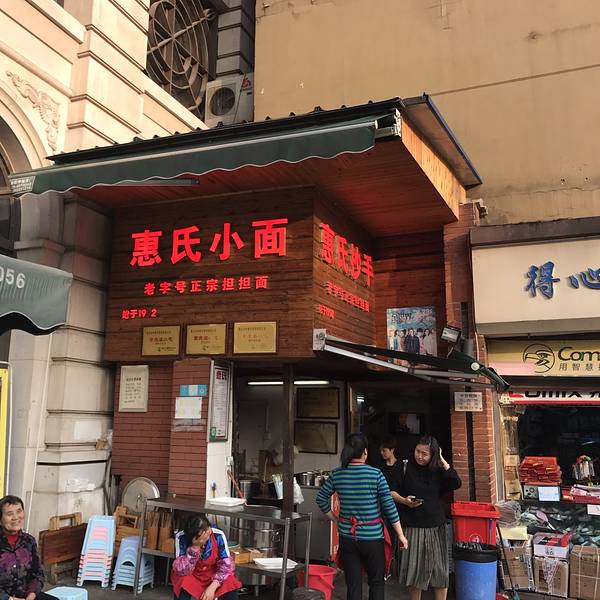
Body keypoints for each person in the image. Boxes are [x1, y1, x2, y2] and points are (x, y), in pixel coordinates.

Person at [317, 433, 408, 600]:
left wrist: (335, 519)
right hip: (372, 538)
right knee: (376, 582)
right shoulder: (376, 474)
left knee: (353, 584)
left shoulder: (337, 474)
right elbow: (389, 507)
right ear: (365, 452)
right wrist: (401, 535)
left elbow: (321, 498)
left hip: (347, 538)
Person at [397, 436, 461, 600]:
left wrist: (443, 461)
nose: (419, 456)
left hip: (435, 526)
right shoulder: (405, 467)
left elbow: (456, 483)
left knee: (439, 570)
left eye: (425, 454)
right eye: (417, 451)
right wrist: (404, 501)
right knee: (414, 572)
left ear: (433, 455)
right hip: (412, 525)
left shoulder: (438, 471)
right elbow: (391, 491)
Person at [171, 514, 241, 600]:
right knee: (182, 581)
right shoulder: (181, 537)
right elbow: (181, 570)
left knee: (230, 581)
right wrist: (195, 547)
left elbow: (227, 566)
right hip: (192, 574)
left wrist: (213, 585)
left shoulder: (218, 535)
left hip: (213, 574)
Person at [0, 495, 51, 600]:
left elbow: (38, 574)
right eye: (9, 514)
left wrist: (31, 595)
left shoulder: (29, 541)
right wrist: (9, 599)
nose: (15, 517)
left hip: (26, 596)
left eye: (19, 511)